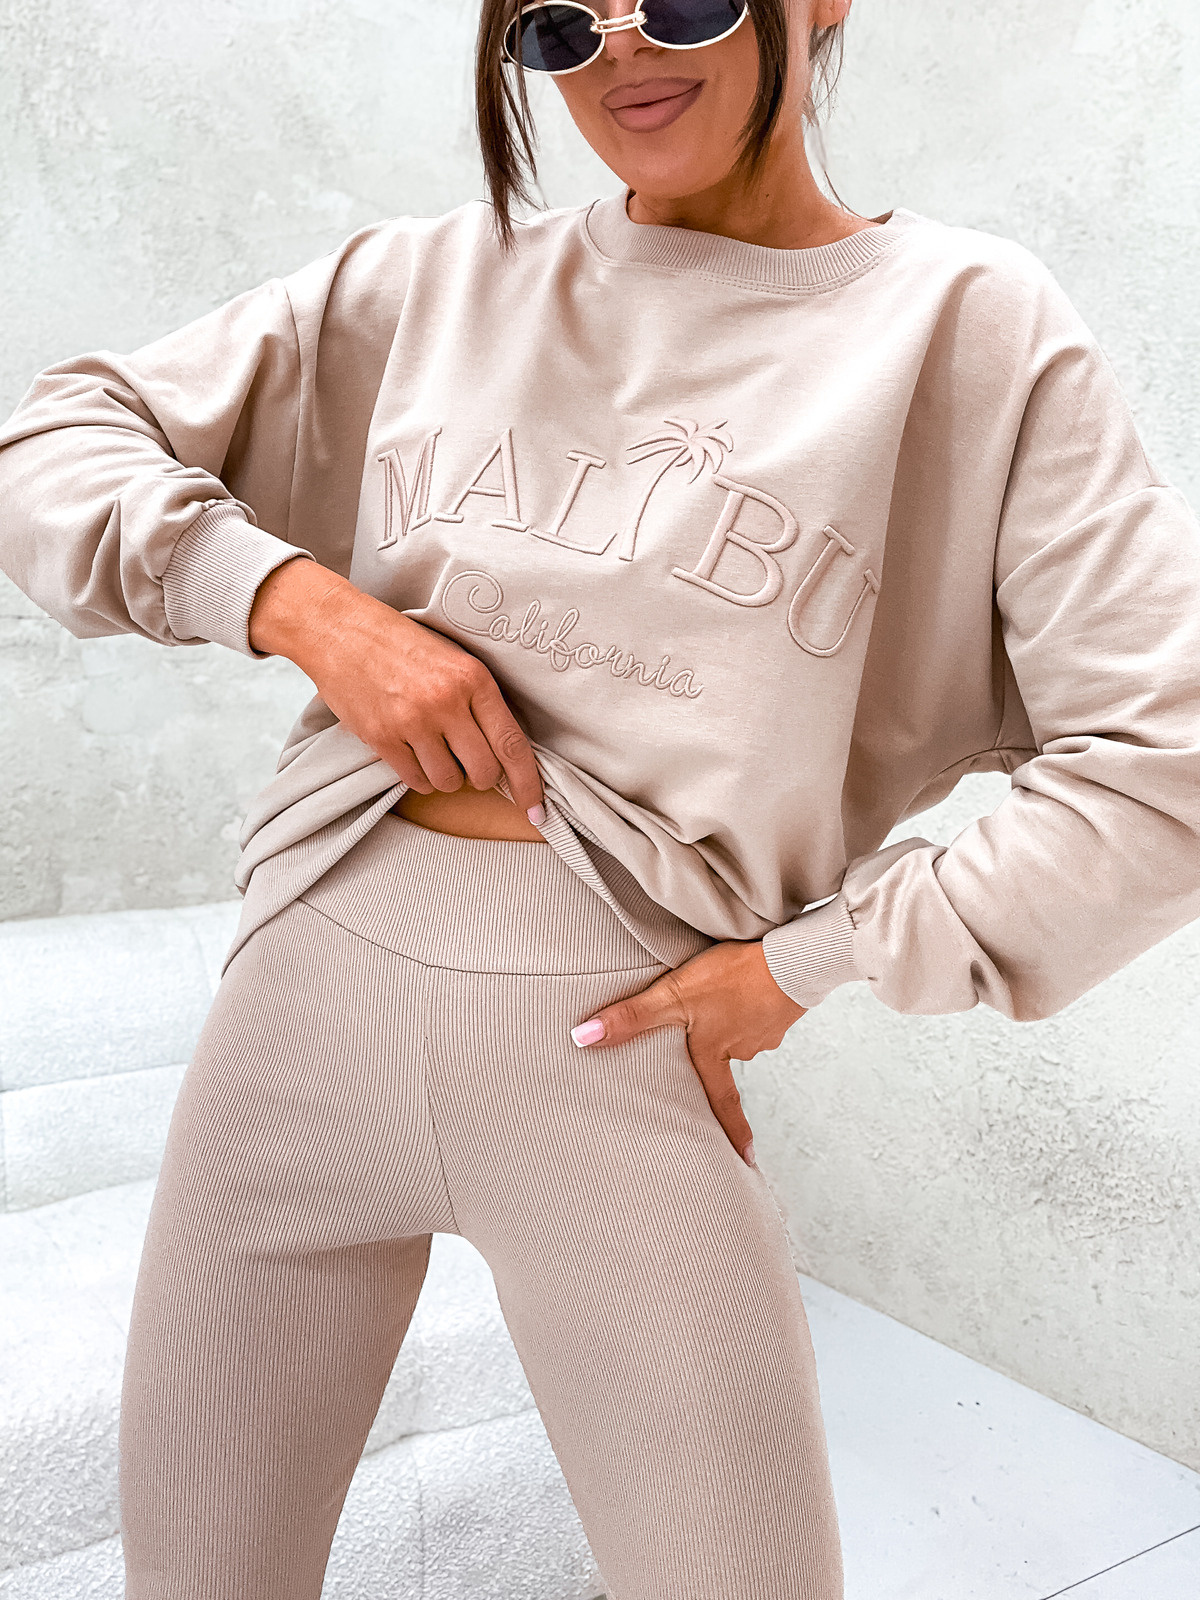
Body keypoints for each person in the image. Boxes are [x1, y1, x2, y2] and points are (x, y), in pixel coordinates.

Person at [3, 0, 1199, 1594]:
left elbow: (1165, 768)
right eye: (562, 25)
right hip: (297, 1008)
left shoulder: (968, 328)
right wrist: (302, 605)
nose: (624, 49)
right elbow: (49, 441)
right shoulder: (438, 280)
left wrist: (809, 963)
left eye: (685, 0)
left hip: (615, 1050)